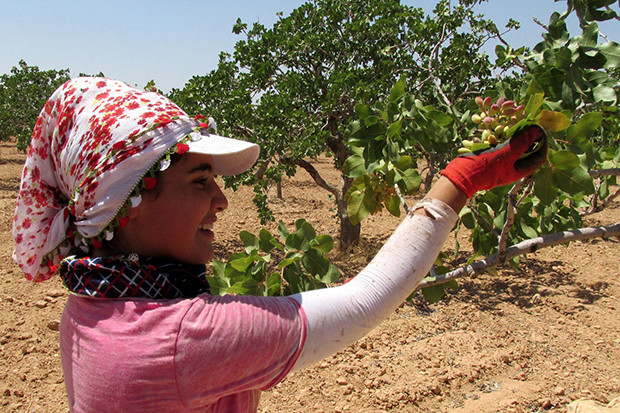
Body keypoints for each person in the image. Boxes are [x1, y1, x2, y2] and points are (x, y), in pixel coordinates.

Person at [12, 77, 547, 412]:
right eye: (200, 180)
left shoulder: (90, 306)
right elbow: (365, 300)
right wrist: (459, 181)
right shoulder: (184, 339)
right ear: (124, 205)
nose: (221, 201)